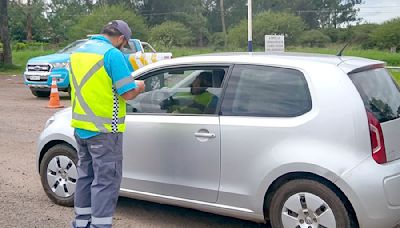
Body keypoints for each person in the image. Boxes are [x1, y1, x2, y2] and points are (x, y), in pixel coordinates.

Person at [69, 20, 145, 228]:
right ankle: (100, 225)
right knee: (106, 181)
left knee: (85, 176)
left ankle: (81, 222)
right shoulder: (112, 55)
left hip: (81, 127)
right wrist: (139, 86)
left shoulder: (78, 52)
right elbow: (128, 93)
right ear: (121, 39)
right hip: (105, 131)